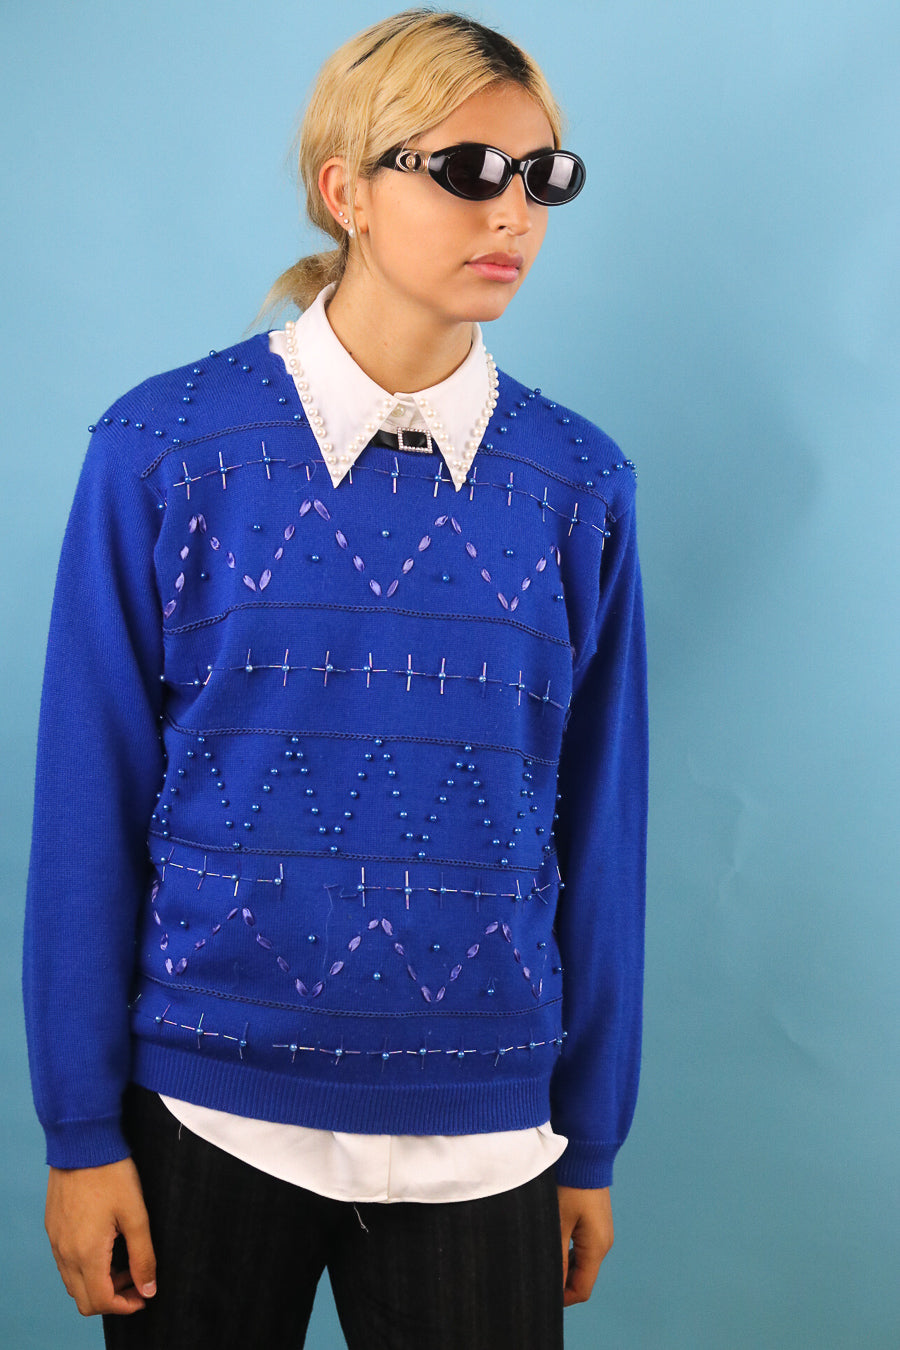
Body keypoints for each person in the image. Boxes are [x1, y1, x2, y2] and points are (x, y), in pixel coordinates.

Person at [24, 10, 647, 1348]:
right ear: (346, 189)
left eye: (544, 176)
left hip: (484, 1127)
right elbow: (87, 800)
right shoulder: (163, 449)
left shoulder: (578, 485)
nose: (513, 211)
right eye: (468, 170)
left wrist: (589, 1135)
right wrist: (79, 1130)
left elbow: (602, 824)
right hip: (204, 1111)